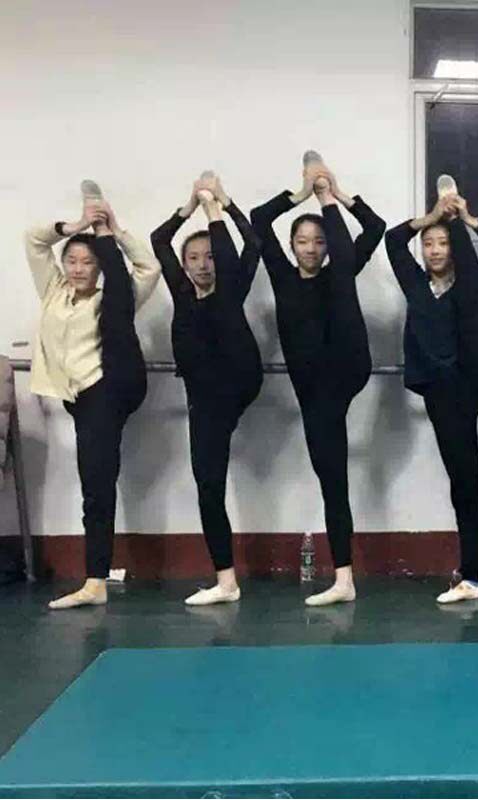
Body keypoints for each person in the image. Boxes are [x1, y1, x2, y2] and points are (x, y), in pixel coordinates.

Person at [250, 153, 385, 606]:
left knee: (342, 275)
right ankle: (344, 578)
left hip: (346, 368)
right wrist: (300, 194)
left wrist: (334, 196)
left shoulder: (339, 267)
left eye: (318, 241)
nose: (310, 248)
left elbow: (375, 227)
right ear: (292, 245)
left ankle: (344, 580)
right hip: (312, 388)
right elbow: (258, 218)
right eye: (303, 241)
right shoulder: (283, 276)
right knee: (332, 479)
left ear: (327, 246)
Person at [25, 183, 160, 609]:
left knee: (96, 486)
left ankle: (95, 581)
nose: (79, 268)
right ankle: (96, 579)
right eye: (73, 260)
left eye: (88, 262)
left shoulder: (114, 297)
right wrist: (76, 225)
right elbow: (33, 239)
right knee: (95, 484)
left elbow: (148, 267)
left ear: (100, 267)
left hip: (105, 392)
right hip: (77, 399)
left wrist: (114, 231)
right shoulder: (54, 290)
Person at [384, 177, 478, 603]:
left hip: (474, 380)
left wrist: (466, 219)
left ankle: (471, 577)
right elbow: (392, 241)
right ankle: (470, 573)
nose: (436, 250)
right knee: (462, 479)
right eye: (429, 244)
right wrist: (431, 217)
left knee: (465, 479)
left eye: (443, 242)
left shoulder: (472, 280)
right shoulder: (415, 283)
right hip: (440, 389)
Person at [151, 172, 263, 606]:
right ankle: (226, 581)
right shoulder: (182, 291)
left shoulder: (231, 285)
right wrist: (190, 206)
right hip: (203, 396)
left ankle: (227, 583)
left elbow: (250, 244)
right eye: (194, 258)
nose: (202, 265)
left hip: (236, 384)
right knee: (208, 484)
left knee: (208, 479)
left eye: (210, 256)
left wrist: (220, 204)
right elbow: (160, 240)